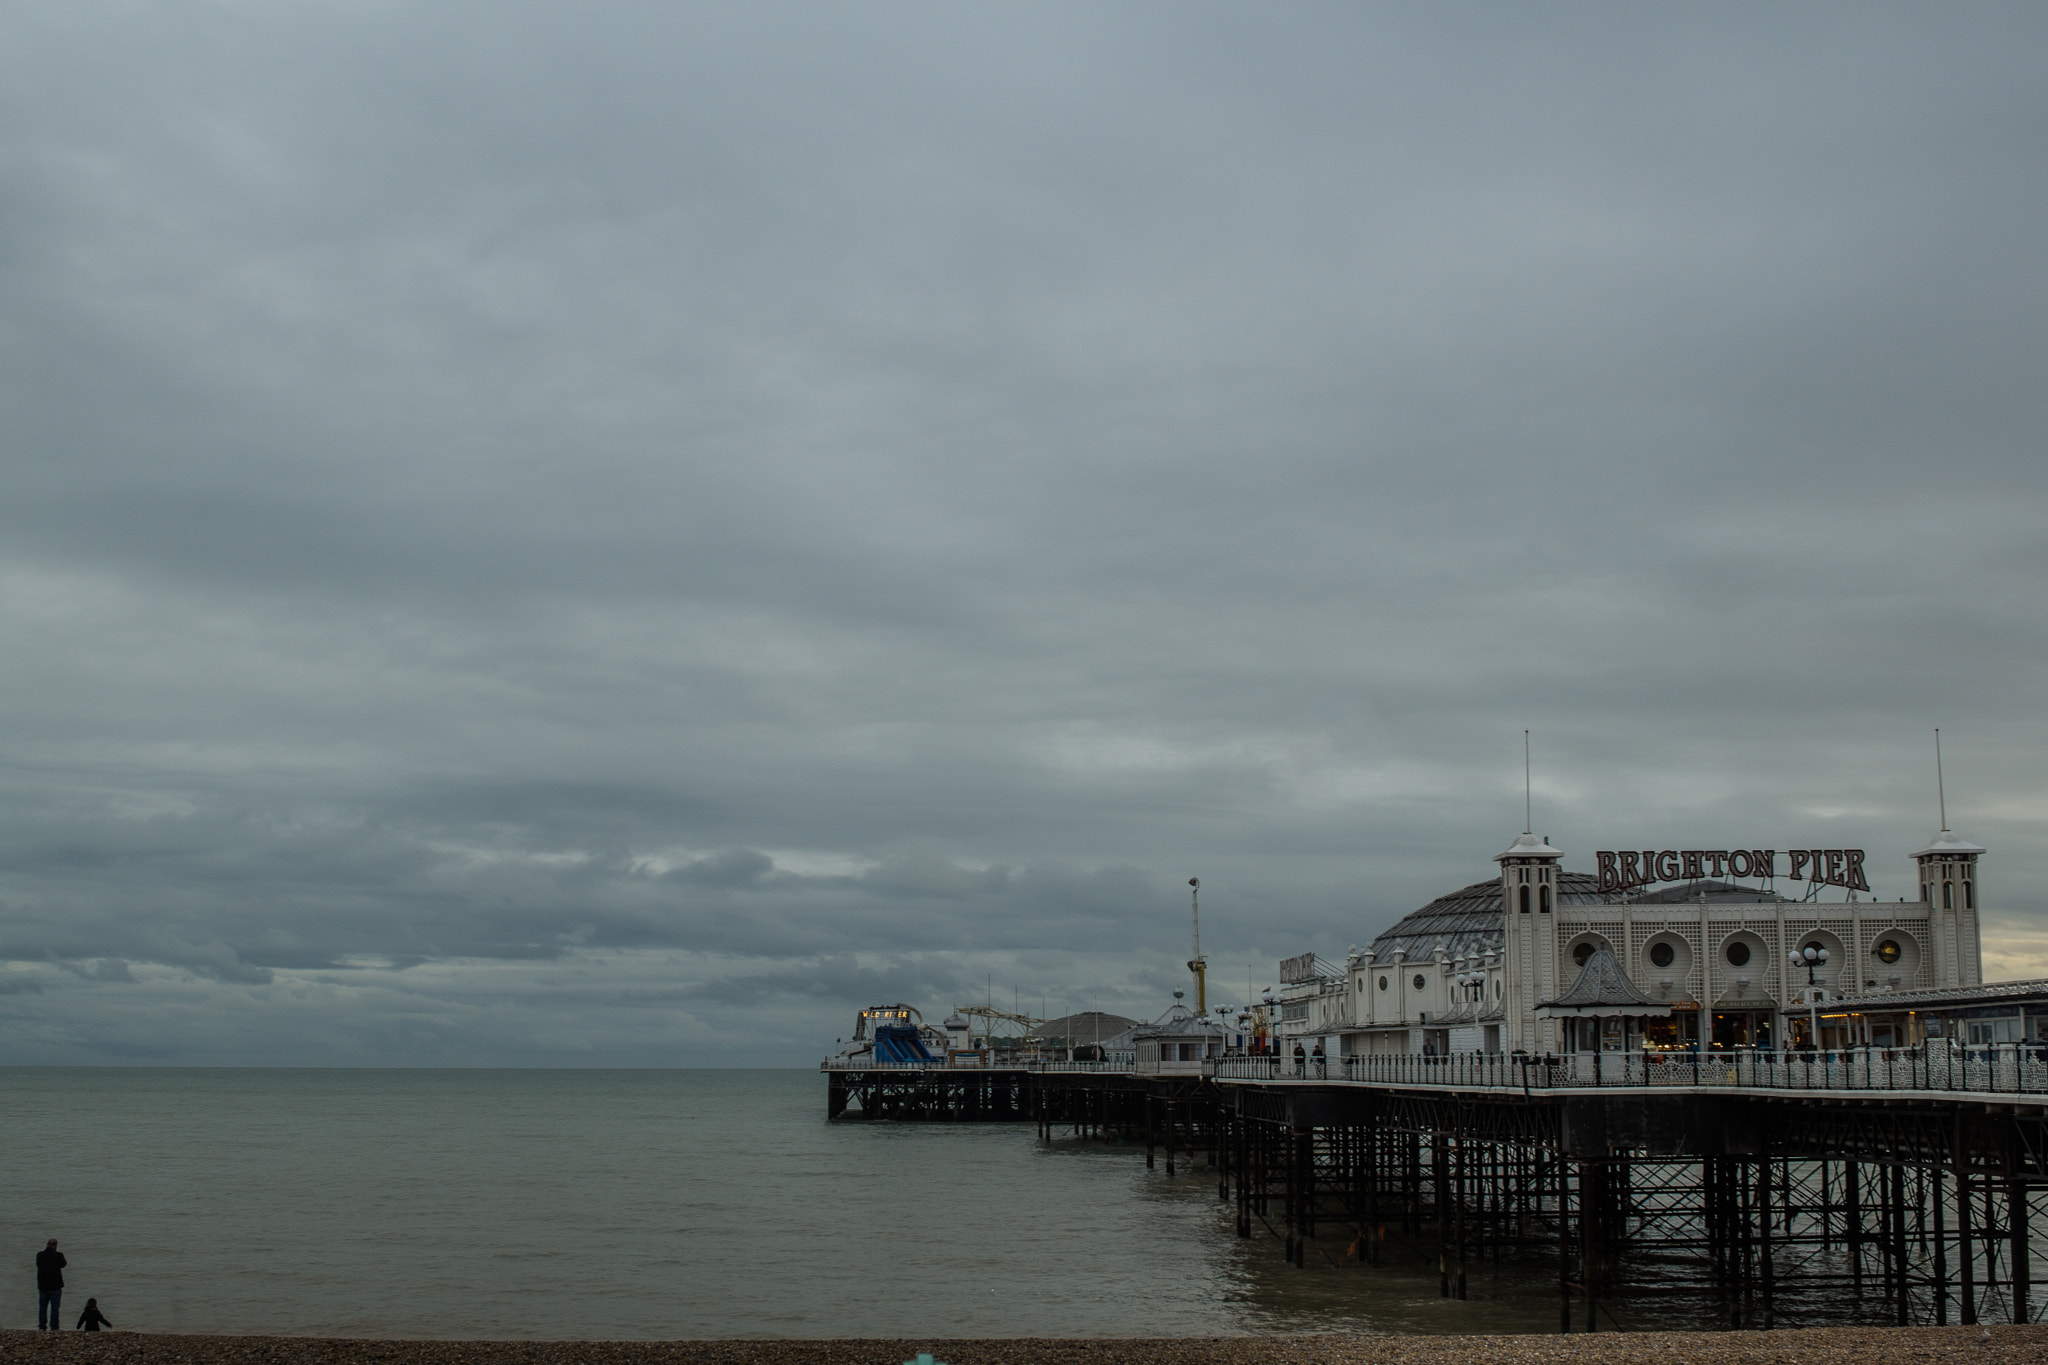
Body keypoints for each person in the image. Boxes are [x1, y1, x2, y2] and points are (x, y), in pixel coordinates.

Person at [36, 1239, 66, 1331]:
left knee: (42, 1307)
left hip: (43, 1285)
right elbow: (63, 1264)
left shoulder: (39, 1255)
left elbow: (38, 1264)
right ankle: (54, 1327)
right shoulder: (58, 1255)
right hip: (55, 1285)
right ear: (56, 1246)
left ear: (47, 1245)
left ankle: (42, 1326)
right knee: (55, 1308)